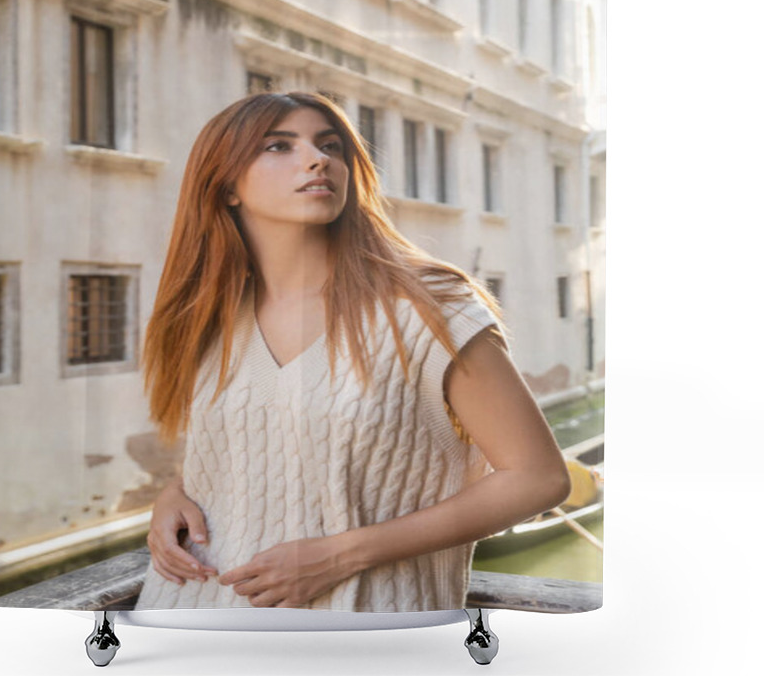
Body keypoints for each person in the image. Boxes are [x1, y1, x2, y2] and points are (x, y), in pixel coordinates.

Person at [133, 91, 570, 612]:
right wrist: (178, 492)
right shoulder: (210, 314)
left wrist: (342, 555)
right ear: (226, 185)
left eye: (330, 145)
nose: (318, 159)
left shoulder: (430, 310)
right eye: (279, 146)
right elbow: (255, 440)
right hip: (186, 625)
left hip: (361, 637)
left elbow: (538, 478)